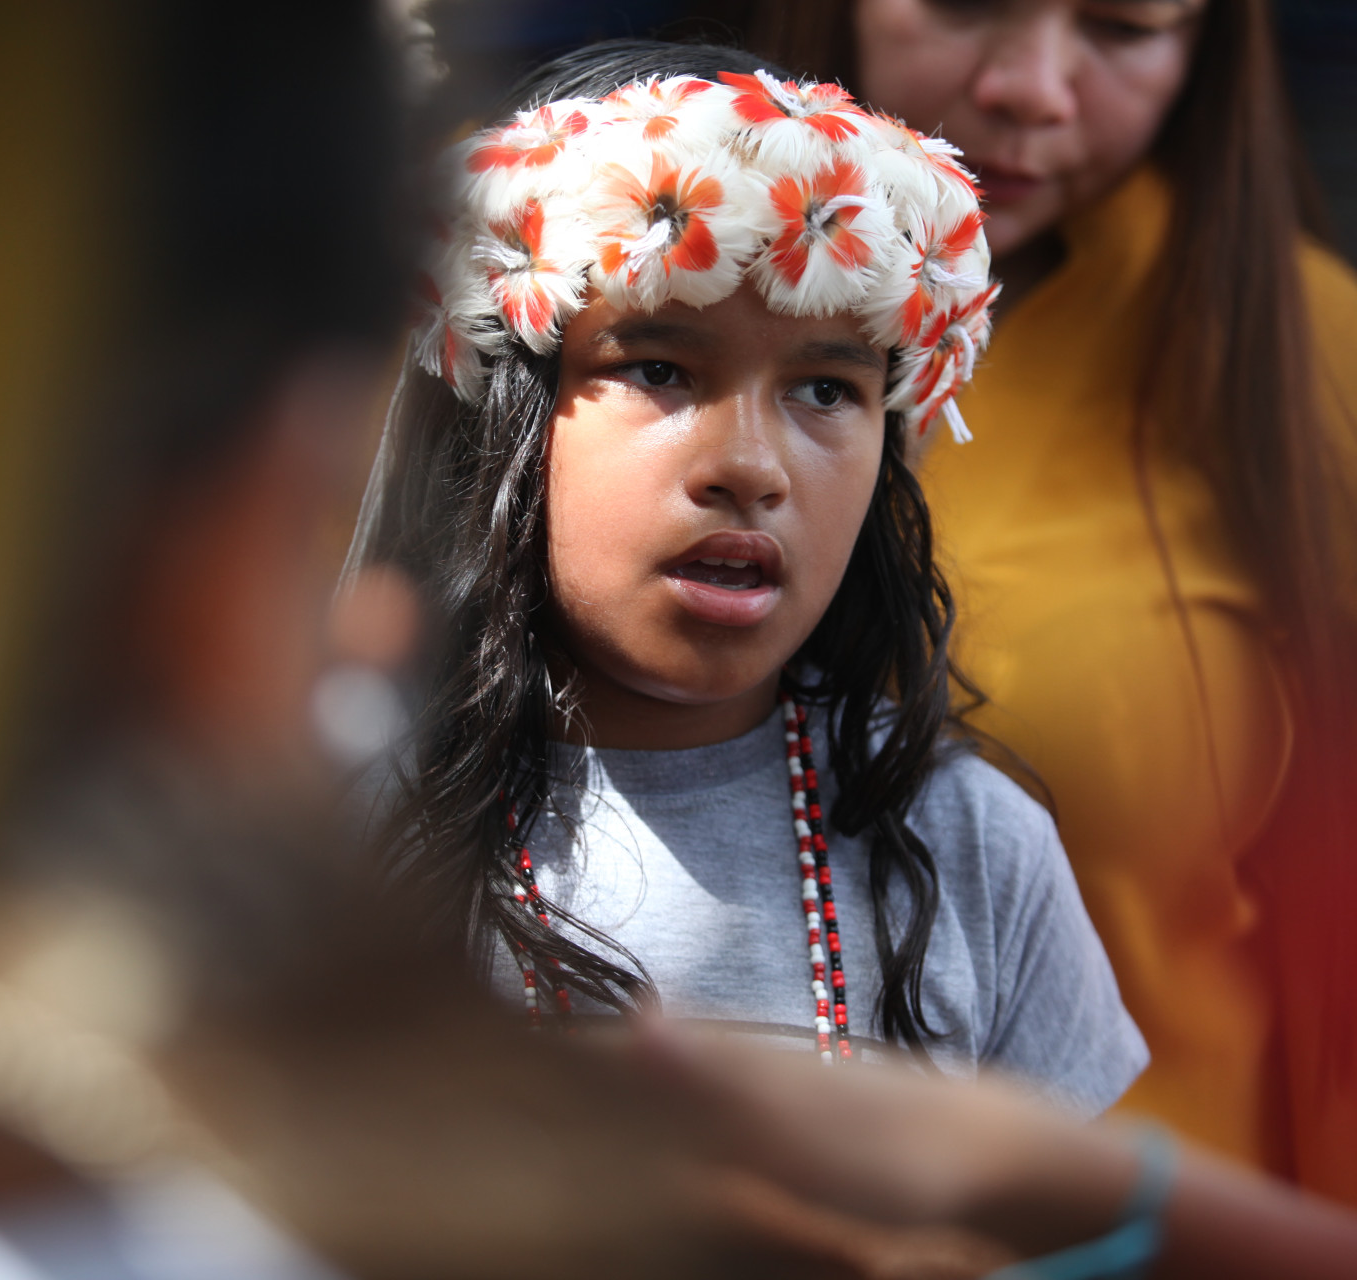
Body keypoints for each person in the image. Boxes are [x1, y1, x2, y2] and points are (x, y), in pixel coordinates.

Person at [728, 0, 1357, 1215]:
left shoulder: (1310, 357)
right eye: (969, 3)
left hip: (1163, 1221)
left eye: (1126, 25)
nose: (1035, 87)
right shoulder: (596, 284)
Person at [350, 38, 1148, 1107]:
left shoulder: (970, 845)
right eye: (660, 368)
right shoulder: (340, 825)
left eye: (826, 389)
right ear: (511, 412)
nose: (750, 467)